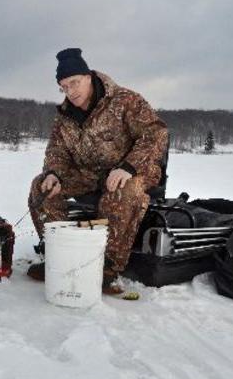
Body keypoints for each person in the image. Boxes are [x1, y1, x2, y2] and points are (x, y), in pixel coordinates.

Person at [27, 48, 168, 294]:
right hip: (89, 174)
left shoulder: (125, 100)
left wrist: (128, 167)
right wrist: (54, 174)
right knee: (42, 186)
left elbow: (156, 134)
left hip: (135, 170)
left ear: (89, 76)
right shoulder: (64, 117)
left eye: (74, 83)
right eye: (64, 87)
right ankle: (58, 255)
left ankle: (107, 268)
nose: (70, 91)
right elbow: (57, 152)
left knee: (123, 189)